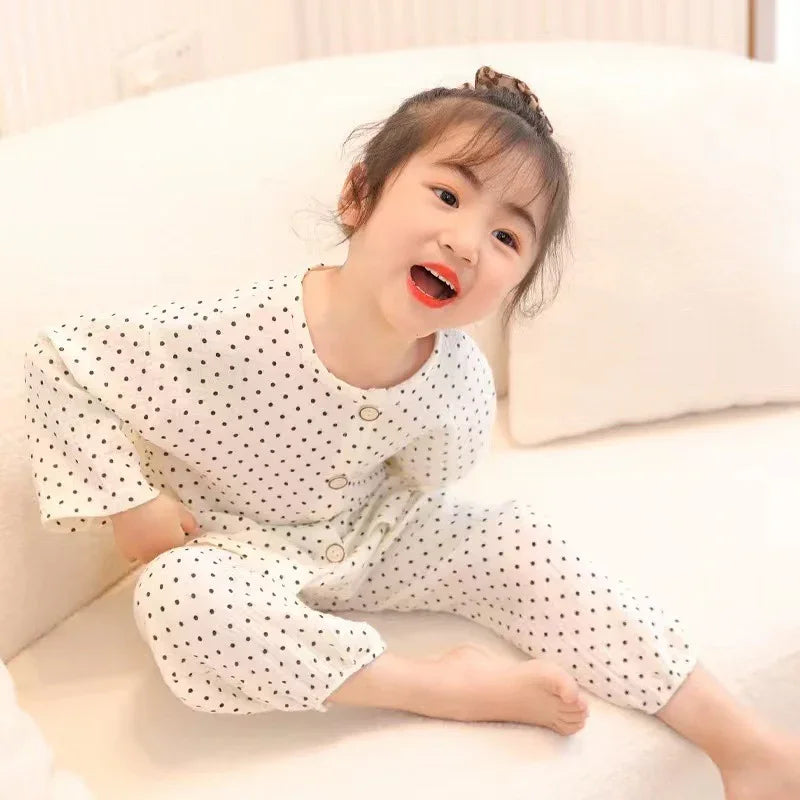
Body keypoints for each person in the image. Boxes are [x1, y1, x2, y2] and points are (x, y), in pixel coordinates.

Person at [24, 66, 799, 798]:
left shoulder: (457, 379)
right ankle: (440, 686)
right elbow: (62, 361)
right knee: (178, 598)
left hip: (374, 535)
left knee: (518, 541)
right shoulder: (236, 328)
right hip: (232, 553)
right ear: (358, 195)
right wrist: (130, 504)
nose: (466, 242)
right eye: (447, 196)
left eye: (507, 238)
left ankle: (744, 743)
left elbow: (433, 477)